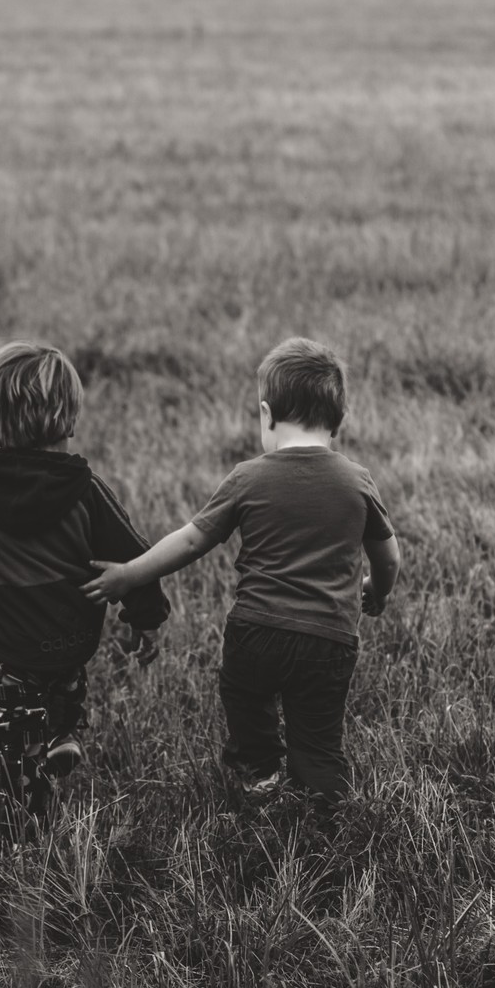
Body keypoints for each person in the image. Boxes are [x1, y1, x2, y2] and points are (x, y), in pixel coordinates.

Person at [83, 337, 399, 814]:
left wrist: (129, 573)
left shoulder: (248, 477)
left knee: (246, 700)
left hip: (256, 632)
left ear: (267, 414)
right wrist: (377, 590)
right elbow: (389, 556)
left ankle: (259, 773)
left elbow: (191, 540)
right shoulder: (357, 480)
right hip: (328, 640)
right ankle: (323, 799)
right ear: (341, 420)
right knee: (317, 735)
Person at [0, 341, 168, 821]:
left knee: (18, 726)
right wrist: (146, 618)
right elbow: (134, 555)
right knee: (64, 688)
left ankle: (29, 800)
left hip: (7, 643)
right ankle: (63, 734)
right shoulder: (85, 490)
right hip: (70, 634)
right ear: (69, 419)